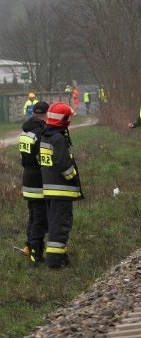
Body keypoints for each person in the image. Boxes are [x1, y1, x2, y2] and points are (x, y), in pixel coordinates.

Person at [39, 102, 83, 269]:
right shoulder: (58, 138)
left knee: (55, 224)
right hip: (61, 190)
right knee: (61, 225)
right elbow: (63, 164)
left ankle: (60, 257)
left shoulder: (46, 135)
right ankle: (55, 262)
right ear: (63, 120)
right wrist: (73, 177)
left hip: (50, 189)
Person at [18, 101, 50, 266]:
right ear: (46, 113)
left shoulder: (26, 132)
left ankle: (29, 247)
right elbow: (41, 159)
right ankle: (36, 256)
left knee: (33, 217)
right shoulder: (40, 132)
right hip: (38, 181)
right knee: (40, 219)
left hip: (27, 180)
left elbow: (23, 158)